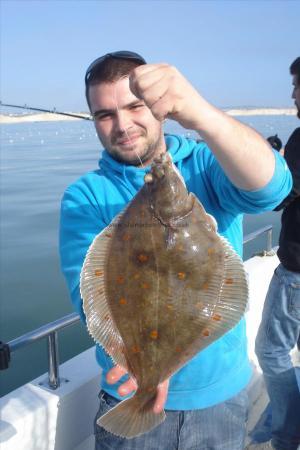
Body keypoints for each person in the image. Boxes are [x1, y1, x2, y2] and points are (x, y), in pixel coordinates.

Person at [59, 51, 292, 450]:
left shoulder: (206, 164)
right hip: (129, 391)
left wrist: (198, 111)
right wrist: (140, 361)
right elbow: (89, 295)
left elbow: (272, 189)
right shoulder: (85, 196)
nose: (123, 125)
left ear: (160, 108)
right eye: (105, 114)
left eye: (135, 106)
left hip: (220, 399)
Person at [255, 57, 300, 450]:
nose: (293, 94)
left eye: (297, 86)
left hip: (296, 274)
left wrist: (269, 161)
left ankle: (286, 432)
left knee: (270, 351)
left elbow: (281, 195)